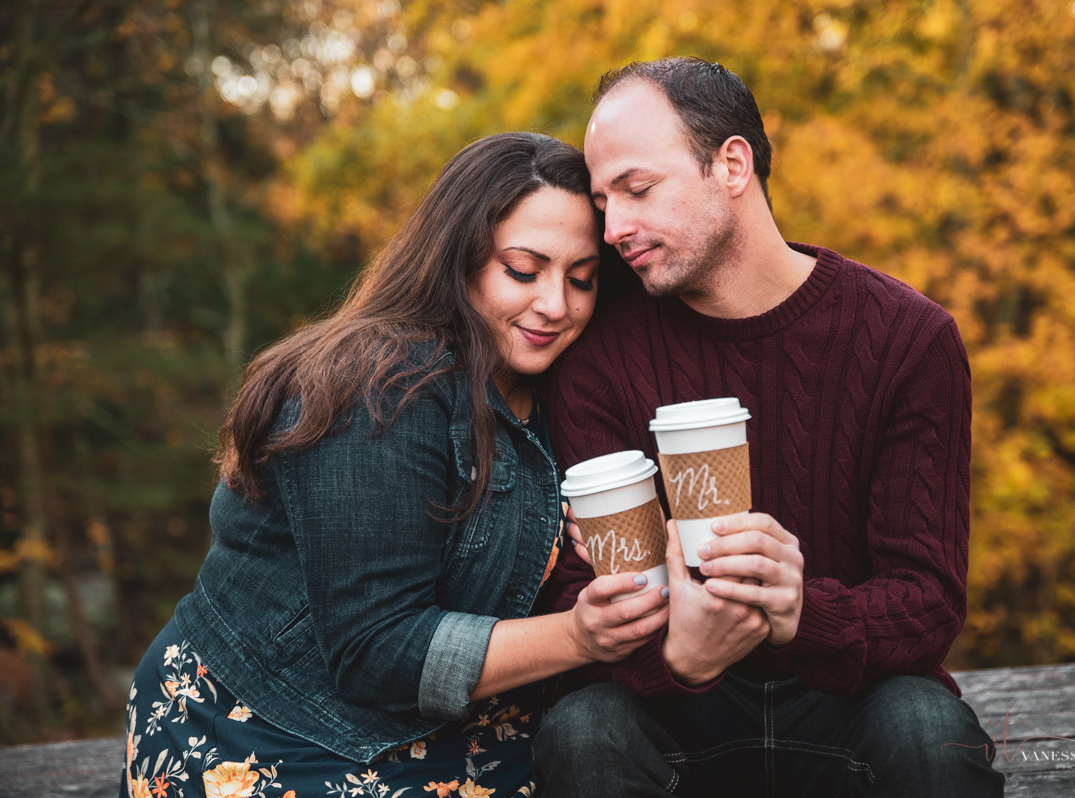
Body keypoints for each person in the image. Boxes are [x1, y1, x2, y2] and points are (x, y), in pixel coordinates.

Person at [119, 132, 671, 798]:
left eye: (581, 279)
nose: (556, 305)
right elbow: (376, 649)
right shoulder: (380, 387)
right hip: (273, 726)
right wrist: (581, 635)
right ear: (457, 260)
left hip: (459, 723)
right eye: (524, 270)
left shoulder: (565, 382)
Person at [533, 58, 1005, 797]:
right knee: (583, 729)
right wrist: (674, 650)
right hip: (675, 711)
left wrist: (798, 610)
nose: (614, 227)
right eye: (602, 201)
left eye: (638, 188)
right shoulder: (596, 354)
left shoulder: (908, 340)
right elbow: (569, 594)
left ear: (732, 164)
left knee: (925, 728)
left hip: (848, 699)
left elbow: (930, 601)